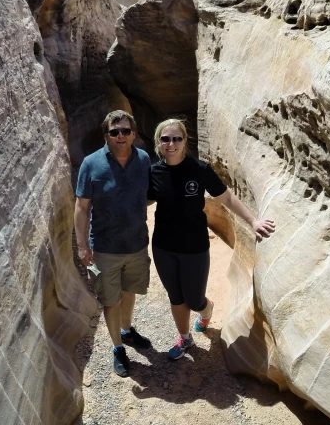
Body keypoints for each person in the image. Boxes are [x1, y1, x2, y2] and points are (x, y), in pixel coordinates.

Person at [148, 118, 276, 360]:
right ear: (159, 143)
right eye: (166, 139)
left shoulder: (200, 169)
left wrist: (253, 221)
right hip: (163, 246)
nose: (171, 144)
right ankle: (185, 339)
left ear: (185, 141)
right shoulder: (154, 172)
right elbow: (145, 200)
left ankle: (207, 310)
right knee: (176, 297)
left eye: (177, 138)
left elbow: (226, 198)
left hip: (195, 246)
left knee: (195, 300)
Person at [74, 110, 152, 377]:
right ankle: (117, 347)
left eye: (126, 131)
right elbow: (82, 207)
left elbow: (149, 195)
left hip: (137, 244)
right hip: (105, 248)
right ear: (106, 135)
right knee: (110, 299)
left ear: (133, 133)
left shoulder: (143, 160)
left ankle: (127, 331)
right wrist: (83, 245)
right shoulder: (91, 164)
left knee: (129, 291)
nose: (121, 136)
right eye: (115, 132)